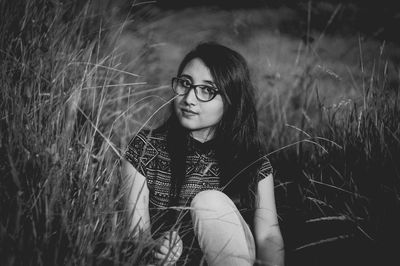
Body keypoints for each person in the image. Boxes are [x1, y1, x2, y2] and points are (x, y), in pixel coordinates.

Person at [122, 41, 284, 266]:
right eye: (185, 84)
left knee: (209, 202)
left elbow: (268, 235)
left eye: (207, 90)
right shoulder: (144, 149)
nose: (189, 99)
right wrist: (154, 248)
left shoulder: (251, 160)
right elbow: (136, 235)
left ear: (231, 101)